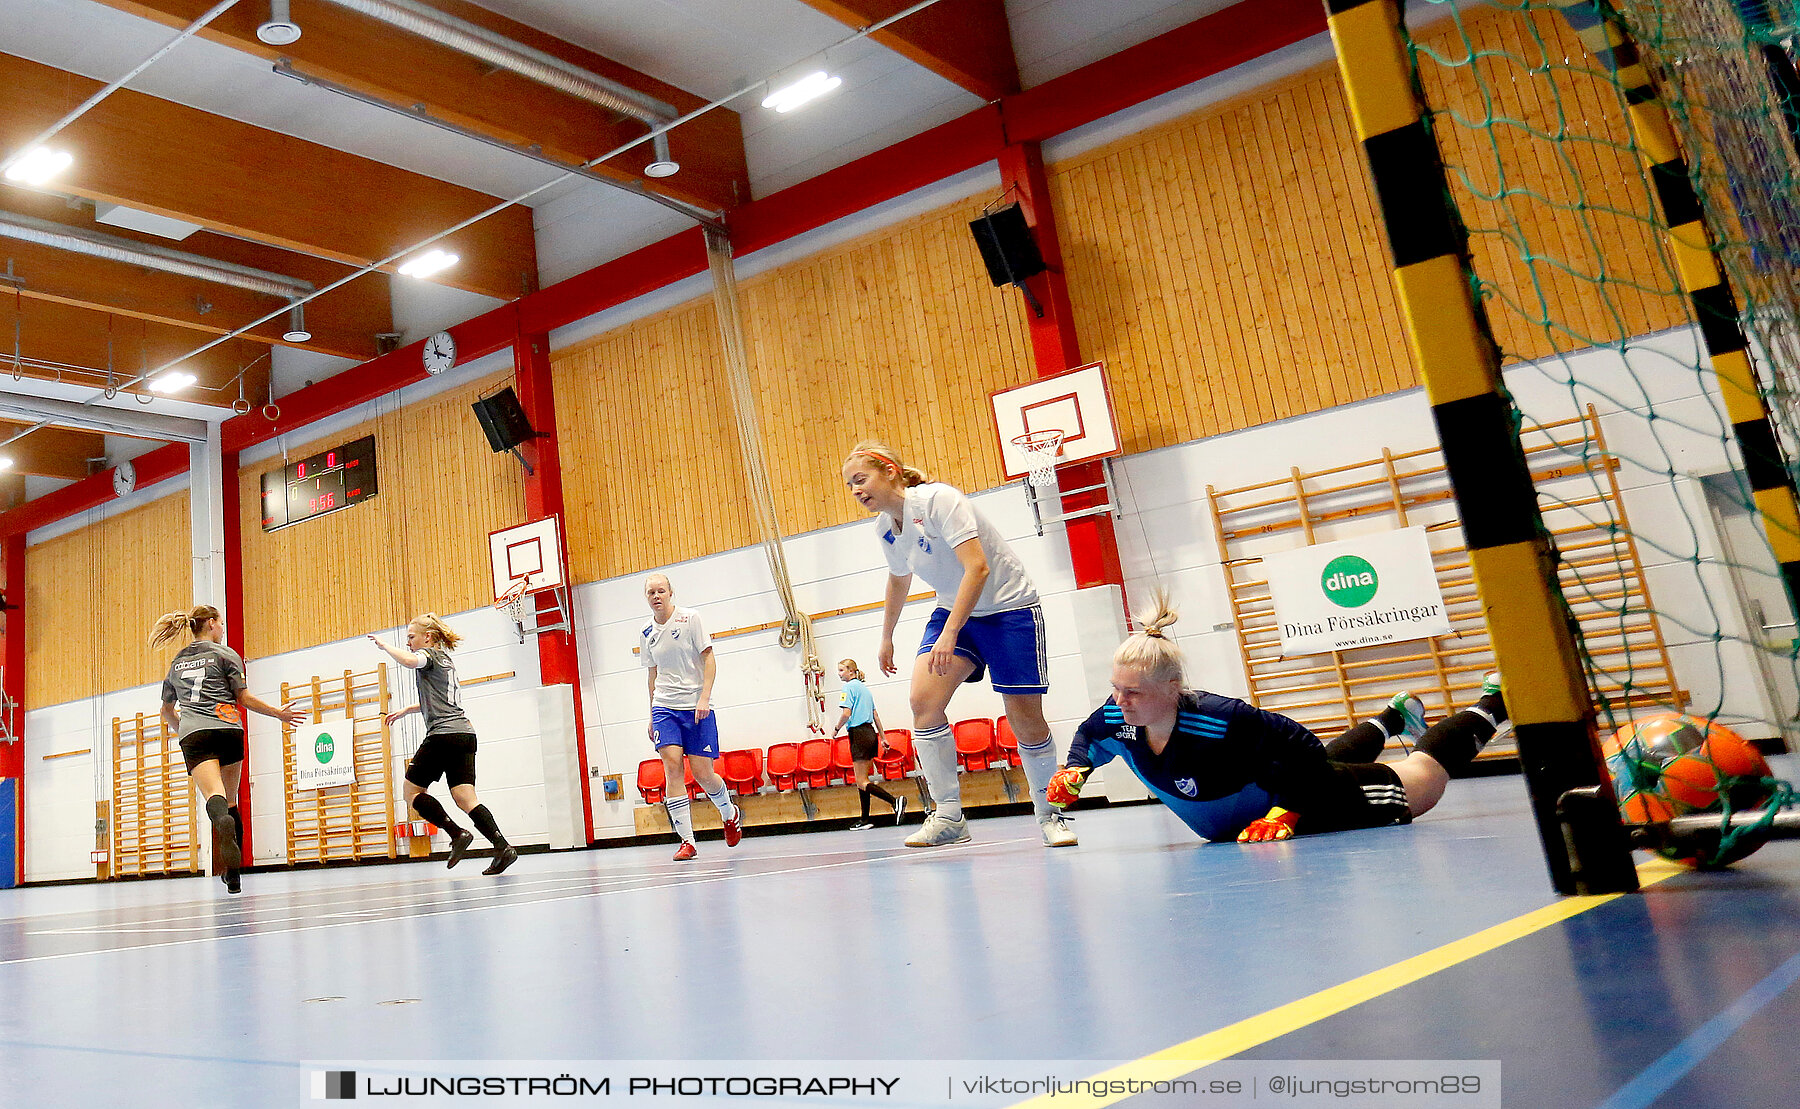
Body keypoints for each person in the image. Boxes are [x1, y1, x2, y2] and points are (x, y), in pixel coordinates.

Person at [1047, 591, 1508, 843]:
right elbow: (1089, 737)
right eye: (1115, 688)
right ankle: (1392, 718)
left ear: (1172, 689)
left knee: (1420, 778)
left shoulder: (1221, 719)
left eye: (1133, 691)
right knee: (1320, 762)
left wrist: (1287, 810)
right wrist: (1074, 771)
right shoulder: (1117, 718)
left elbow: (1302, 748)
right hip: (1256, 811)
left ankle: (1495, 703)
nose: (1119, 701)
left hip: (1321, 802)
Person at [841, 440, 1076, 848]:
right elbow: (899, 578)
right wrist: (886, 637)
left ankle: (1050, 814)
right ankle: (948, 815)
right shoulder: (885, 528)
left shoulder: (939, 501)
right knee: (923, 702)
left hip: (1008, 610)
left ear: (890, 471)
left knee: (1024, 718)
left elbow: (978, 567)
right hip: (954, 610)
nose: (856, 490)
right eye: (850, 486)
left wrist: (950, 631)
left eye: (861, 479)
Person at [152, 605, 305, 893]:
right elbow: (243, 697)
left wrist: (183, 728)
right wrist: (278, 713)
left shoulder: (175, 663)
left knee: (215, 796)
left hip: (195, 732)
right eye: (221, 623)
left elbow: (166, 710)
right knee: (231, 800)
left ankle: (220, 825)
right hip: (228, 729)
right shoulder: (226, 654)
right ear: (211, 624)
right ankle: (234, 873)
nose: (223, 628)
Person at [369, 614, 518, 875]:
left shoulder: (430, 656)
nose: (409, 643)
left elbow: (409, 661)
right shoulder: (447, 662)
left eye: (411, 637)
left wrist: (384, 646)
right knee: (465, 798)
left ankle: (456, 833)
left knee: (411, 792)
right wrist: (408, 709)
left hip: (442, 736)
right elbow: (444, 701)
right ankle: (502, 846)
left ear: (428, 637)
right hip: (464, 735)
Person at [641, 574, 742, 860]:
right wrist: (651, 713)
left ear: (671, 592)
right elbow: (652, 674)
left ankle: (729, 812)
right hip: (664, 707)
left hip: (695, 705)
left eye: (661, 591)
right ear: (646, 598)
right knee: (672, 767)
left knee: (702, 774)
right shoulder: (646, 632)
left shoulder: (691, 619)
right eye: (651, 592)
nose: (656, 596)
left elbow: (709, 659)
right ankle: (688, 841)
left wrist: (704, 698)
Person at [829, 658, 907, 829]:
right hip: (870, 733)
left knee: (861, 781)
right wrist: (883, 737)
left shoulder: (848, 688)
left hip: (858, 734)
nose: (839, 673)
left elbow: (846, 713)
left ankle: (895, 801)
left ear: (851, 671)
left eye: (841, 670)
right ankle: (865, 819)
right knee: (863, 780)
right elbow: (876, 715)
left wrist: (835, 729)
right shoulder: (864, 690)